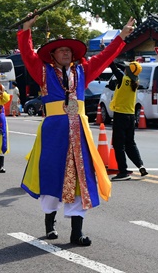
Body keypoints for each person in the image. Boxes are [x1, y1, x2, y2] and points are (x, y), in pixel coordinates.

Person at [18, 13, 135, 246]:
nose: (65, 53)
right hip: (53, 133)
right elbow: (27, 54)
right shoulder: (43, 71)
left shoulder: (84, 70)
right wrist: (25, 30)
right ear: (52, 55)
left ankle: (76, 232)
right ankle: (49, 224)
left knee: (81, 178)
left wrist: (121, 36)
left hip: (79, 132)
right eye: (61, 50)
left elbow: (105, 56)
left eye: (68, 51)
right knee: (52, 176)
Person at [108, 61, 147, 181]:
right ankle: (140, 166)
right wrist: (126, 67)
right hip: (131, 116)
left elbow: (113, 67)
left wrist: (107, 53)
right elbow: (124, 69)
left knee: (118, 145)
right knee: (130, 143)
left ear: (127, 71)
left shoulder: (122, 79)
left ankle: (123, 172)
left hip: (120, 116)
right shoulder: (135, 81)